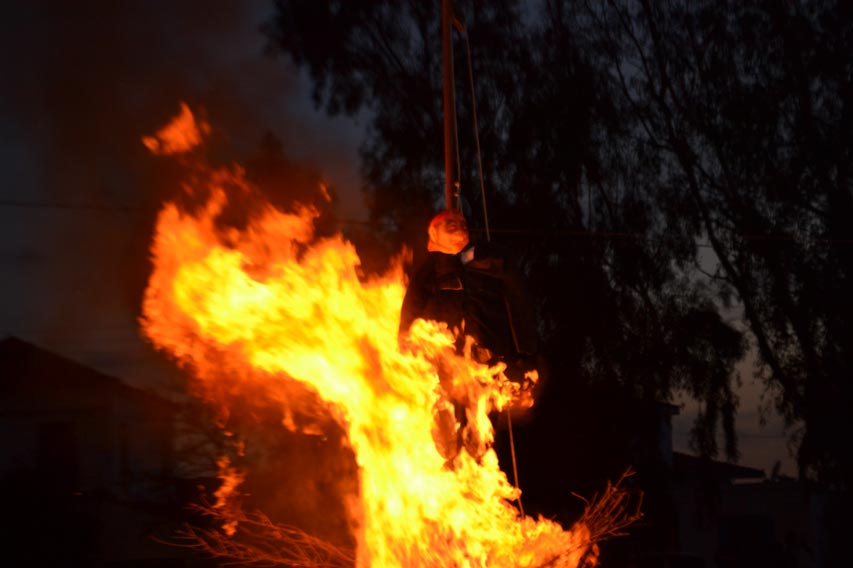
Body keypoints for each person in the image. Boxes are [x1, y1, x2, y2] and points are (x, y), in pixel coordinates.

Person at [399, 208, 540, 465]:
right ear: (434, 233)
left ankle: (476, 461)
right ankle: (448, 450)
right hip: (446, 358)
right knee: (448, 420)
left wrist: (525, 351)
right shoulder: (430, 271)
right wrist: (405, 344)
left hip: (488, 357)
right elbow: (411, 309)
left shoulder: (491, 261)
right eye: (450, 225)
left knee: (482, 427)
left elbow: (519, 302)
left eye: (462, 223)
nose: (459, 228)